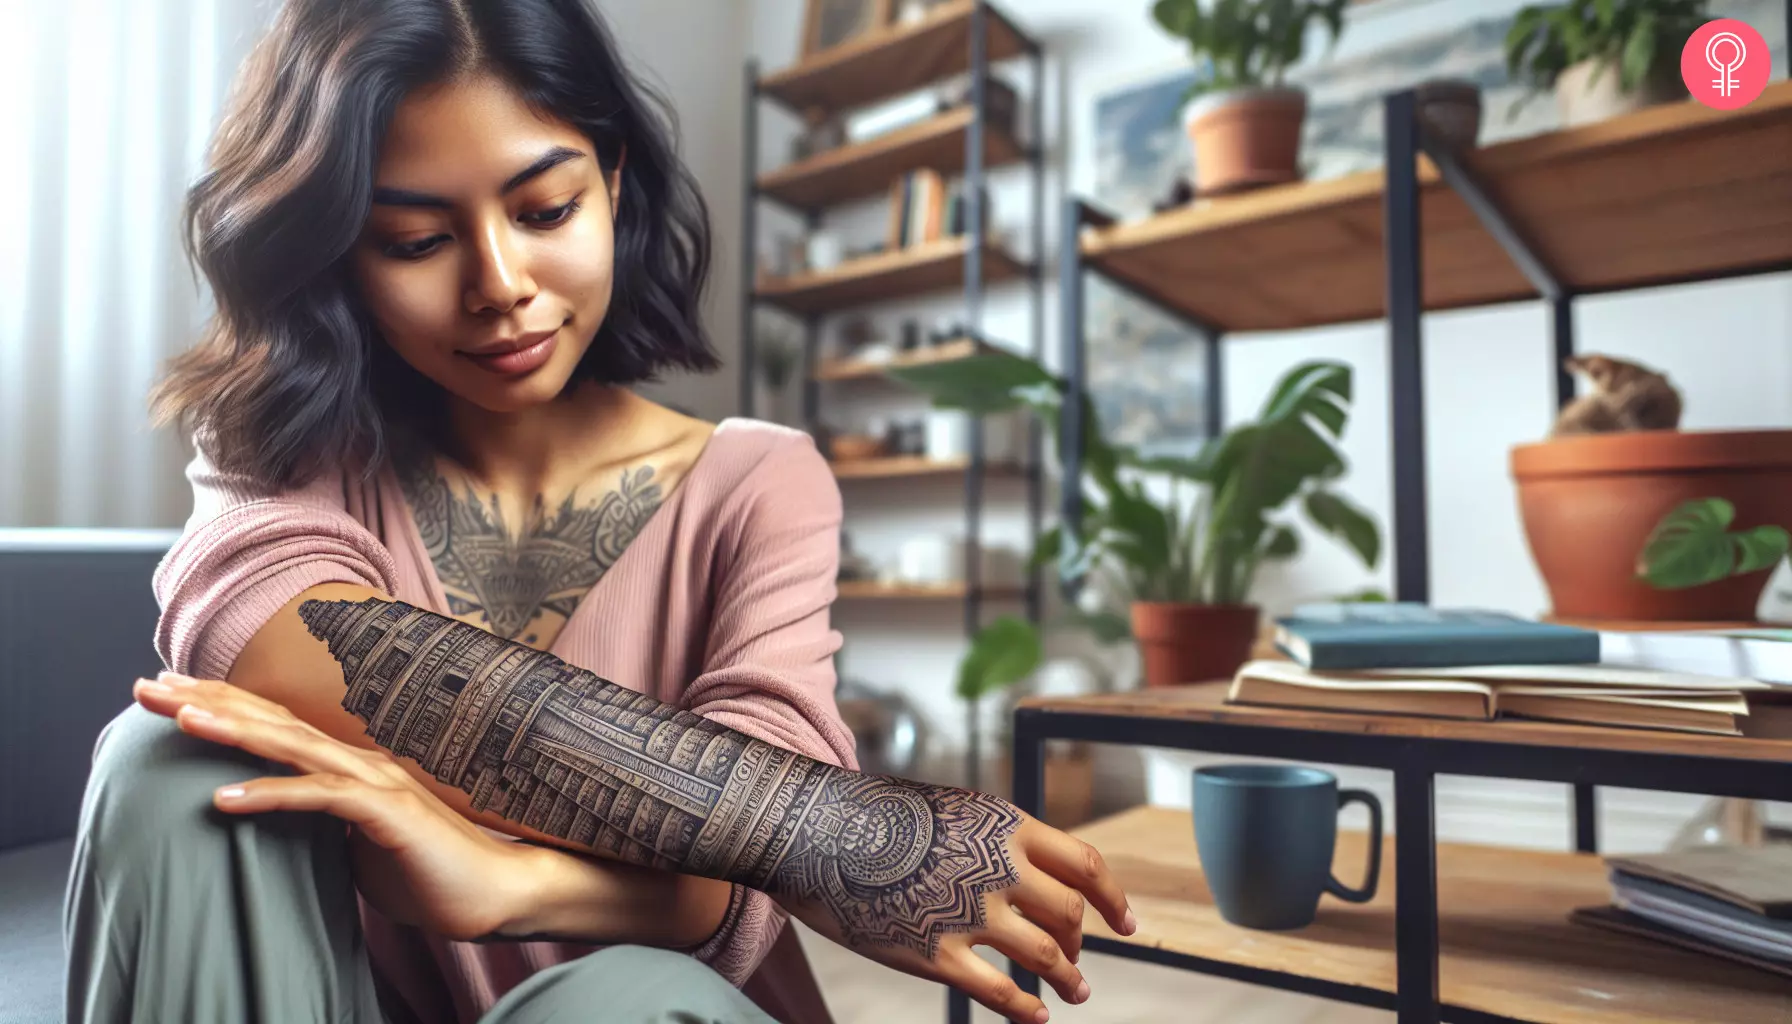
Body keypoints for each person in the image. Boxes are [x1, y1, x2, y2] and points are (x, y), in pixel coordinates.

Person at [62, 1, 1138, 1023]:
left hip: (653, 1005)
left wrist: (504, 881)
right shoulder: (288, 450)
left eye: (543, 210)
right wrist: (828, 826)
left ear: (614, 181)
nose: (500, 283)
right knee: (166, 765)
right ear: (340, 250)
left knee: (606, 1001)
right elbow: (272, 643)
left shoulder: (758, 479)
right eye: (415, 240)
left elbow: (739, 889)